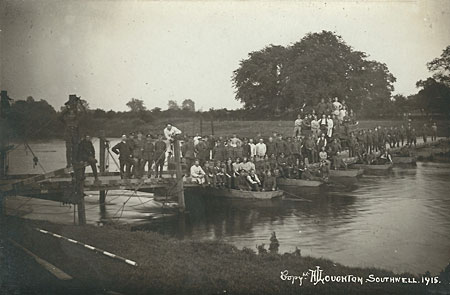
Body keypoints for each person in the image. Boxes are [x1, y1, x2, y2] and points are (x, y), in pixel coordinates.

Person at [59, 94, 86, 167]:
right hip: (68, 132)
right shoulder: (67, 114)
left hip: (75, 132)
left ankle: (73, 161)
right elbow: (60, 117)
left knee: (75, 148)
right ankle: (69, 163)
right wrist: (66, 109)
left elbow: (83, 114)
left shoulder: (77, 114)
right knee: (69, 148)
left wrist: (80, 104)